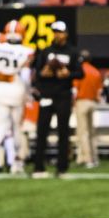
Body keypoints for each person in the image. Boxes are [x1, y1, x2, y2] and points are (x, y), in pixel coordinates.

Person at [0, 21, 36, 174]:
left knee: (2, 126)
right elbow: (25, 76)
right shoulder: (26, 51)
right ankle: (15, 163)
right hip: (16, 89)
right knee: (16, 128)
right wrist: (28, 93)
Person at [31, 21, 82, 178]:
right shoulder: (46, 51)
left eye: (59, 32)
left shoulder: (73, 52)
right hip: (47, 95)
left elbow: (80, 73)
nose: (56, 35)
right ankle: (38, 167)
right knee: (41, 132)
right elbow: (37, 74)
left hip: (63, 95)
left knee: (63, 133)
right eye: (54, 32)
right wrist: (43, 73)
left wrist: (68, 74)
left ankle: (62, 168)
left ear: (65, 33)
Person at [73, 50, 103, 168]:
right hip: (92, 102)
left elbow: (75, 90)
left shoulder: (79, 71)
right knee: (91, 132)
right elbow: (99, 92)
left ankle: (88, 159)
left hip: (81, 102)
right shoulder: (95, 71)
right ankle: (93, 158)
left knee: (83, 132)